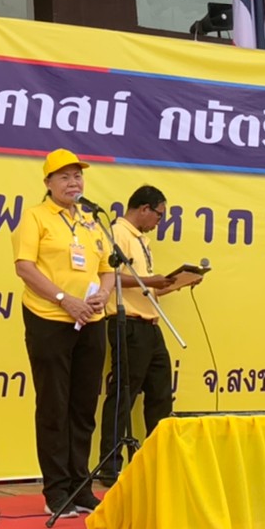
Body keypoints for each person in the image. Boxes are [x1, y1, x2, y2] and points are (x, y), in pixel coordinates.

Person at [12, 149, 113, 519]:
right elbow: (24, 267)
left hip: (90, 320)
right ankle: (56, 491)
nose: (74, 183)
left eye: (78, 176)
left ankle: (81, 488)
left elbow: (106, 267)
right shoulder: (36, 218)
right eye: (65, 177)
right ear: (48, 184)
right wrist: (64, 299)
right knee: (55, 405)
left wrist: (103, 293)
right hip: (49, 317)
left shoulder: (91, 221)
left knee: (84, 406)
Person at [97, 185, 197, 487]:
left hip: (151, 325)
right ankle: (110, 466)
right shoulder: (118, 232)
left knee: (161, 394)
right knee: (123, 394)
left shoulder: (142, 239)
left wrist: (172, 283)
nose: (159, 221)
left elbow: (144, 286)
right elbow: (110, 276)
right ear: (144, 208)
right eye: (159, 214)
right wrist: (149, 280)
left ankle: (158, 460)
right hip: (128, 323)